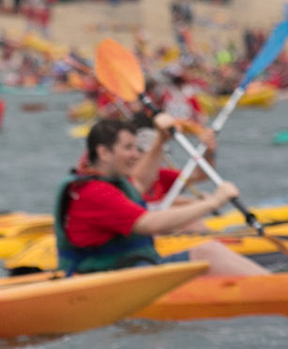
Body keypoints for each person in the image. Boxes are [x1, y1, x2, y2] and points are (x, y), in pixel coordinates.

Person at [55, 118, 269, 277]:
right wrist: (212, 202)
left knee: (207, 247)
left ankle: (276, 285)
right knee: (208, 252)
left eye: (136, 148)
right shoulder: (95, 192)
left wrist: (162, 137)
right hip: (107, 278)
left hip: (128, 268)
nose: (136, 155)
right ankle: (286, 290)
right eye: (128, 148)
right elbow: (148, 224)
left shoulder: (117, 183)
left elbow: (142, 181)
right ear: (104, 152)